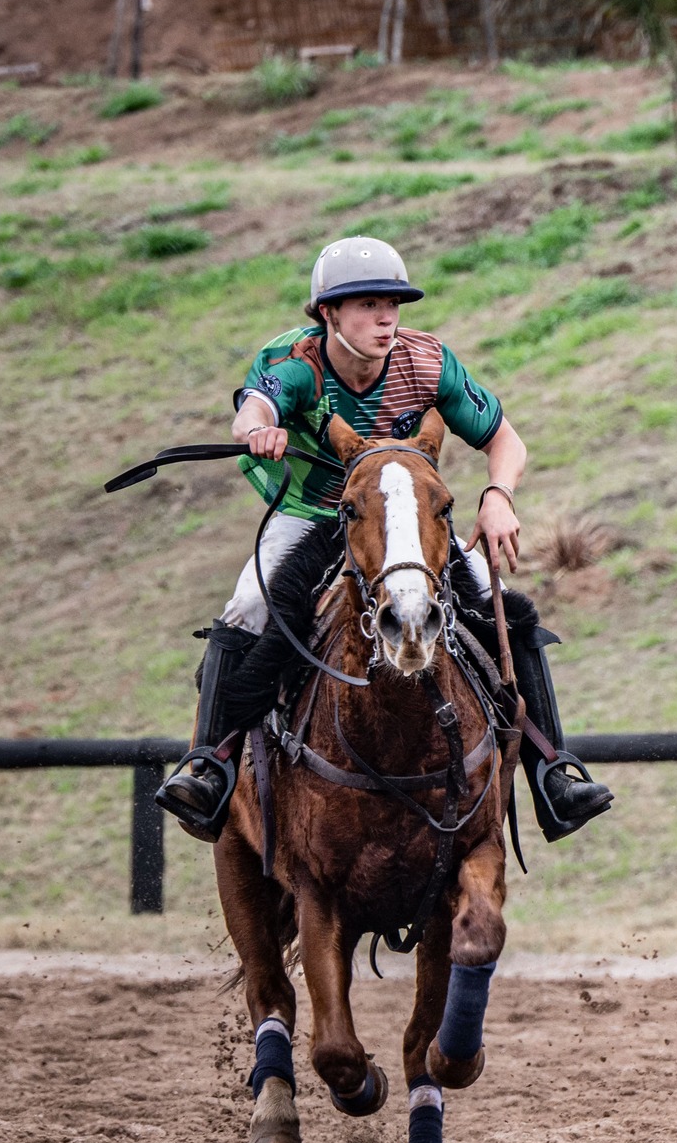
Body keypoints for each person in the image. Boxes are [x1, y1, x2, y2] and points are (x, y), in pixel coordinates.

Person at [154, 236, 613, 844]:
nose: (386, 317)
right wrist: (261, 430)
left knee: (508, 611)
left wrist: (497, 494)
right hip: (316, 512)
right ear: (327, 315)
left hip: (411, 520)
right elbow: (253, 408)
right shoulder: (295, 362)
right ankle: (209, 766)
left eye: (393, 302)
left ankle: (554, 774)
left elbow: (506, 440)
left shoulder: (428, 362)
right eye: (366, 304)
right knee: (247, 608)